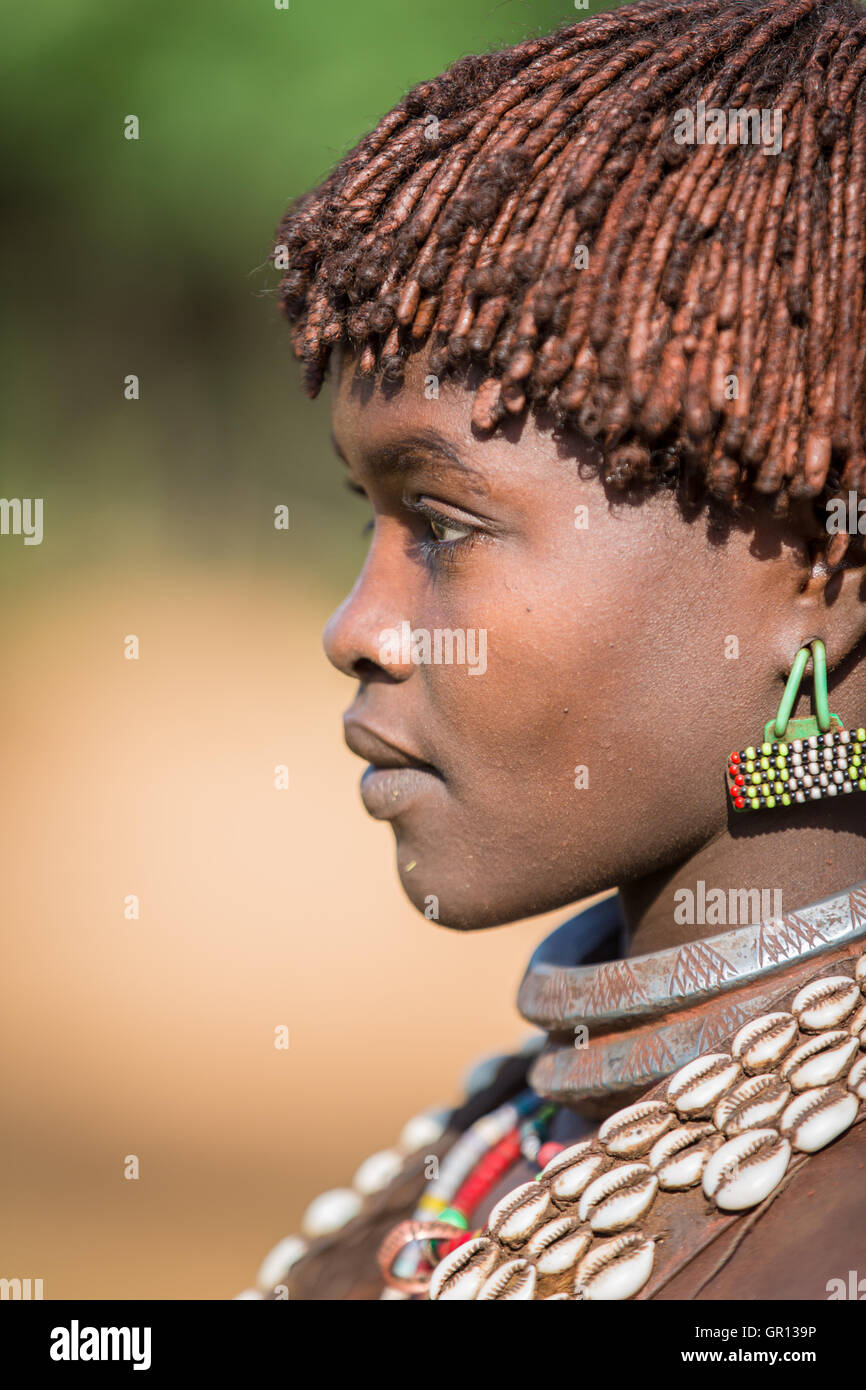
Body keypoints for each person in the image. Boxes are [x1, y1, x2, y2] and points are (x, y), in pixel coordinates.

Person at [243, 0, 866, 1300]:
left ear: (817, 570)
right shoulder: (448, 1193)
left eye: (447, 521)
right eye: (372, 519)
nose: (355, 628)